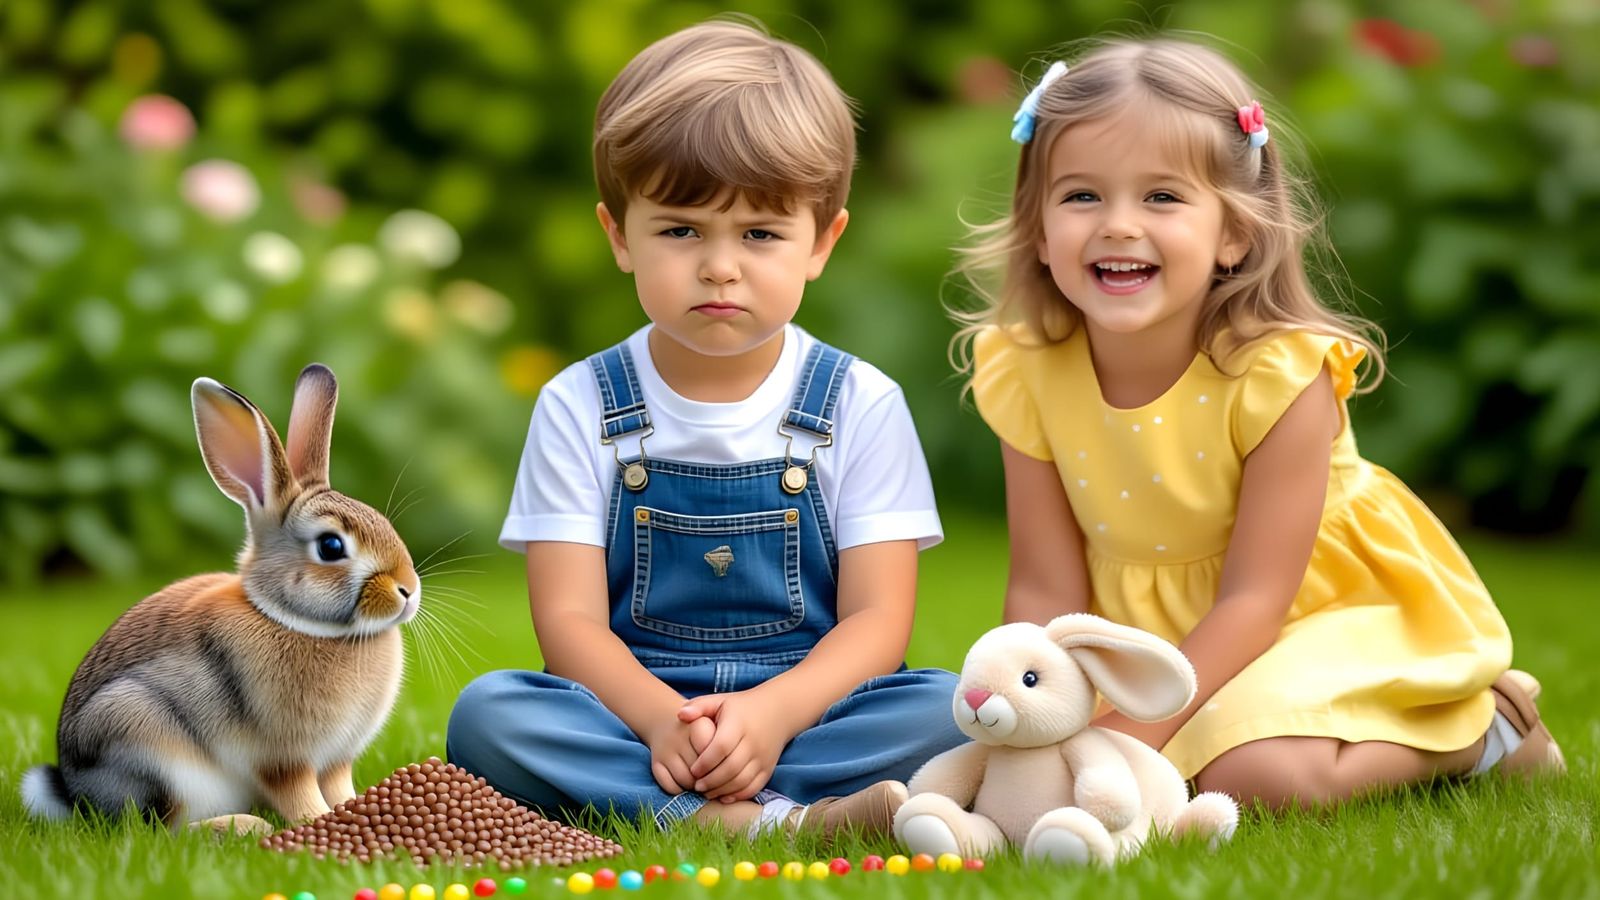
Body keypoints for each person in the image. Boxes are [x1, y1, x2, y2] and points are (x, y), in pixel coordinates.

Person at [956, 37, 1565, 810]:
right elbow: (1045, 584)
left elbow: (1255, 601)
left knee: (1258, 779)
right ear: (1040, 230)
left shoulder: (1277, 375)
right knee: (1144, 774)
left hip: (1317, 615)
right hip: (1156, 635)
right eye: (1081, 196)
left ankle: (1486, 731)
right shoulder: (1025, 369)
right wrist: (1043, 719)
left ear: (1235, 232)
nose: (1117, 225)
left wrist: (1137, 736)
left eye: (1162, 197)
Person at [448, 19, 964, 839]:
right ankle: (767, 820)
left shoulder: (858, 401)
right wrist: (660, 720)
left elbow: (878, 622)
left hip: (811, 707)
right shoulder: (579, 404)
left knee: (950, 708)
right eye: (681, 230)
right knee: (493, 717)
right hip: (633, 710)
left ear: (822, 242)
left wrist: (773, 715)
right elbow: (569, 623)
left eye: (760, 234)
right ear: (619, 235)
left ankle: (725, 803)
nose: (720, 265)